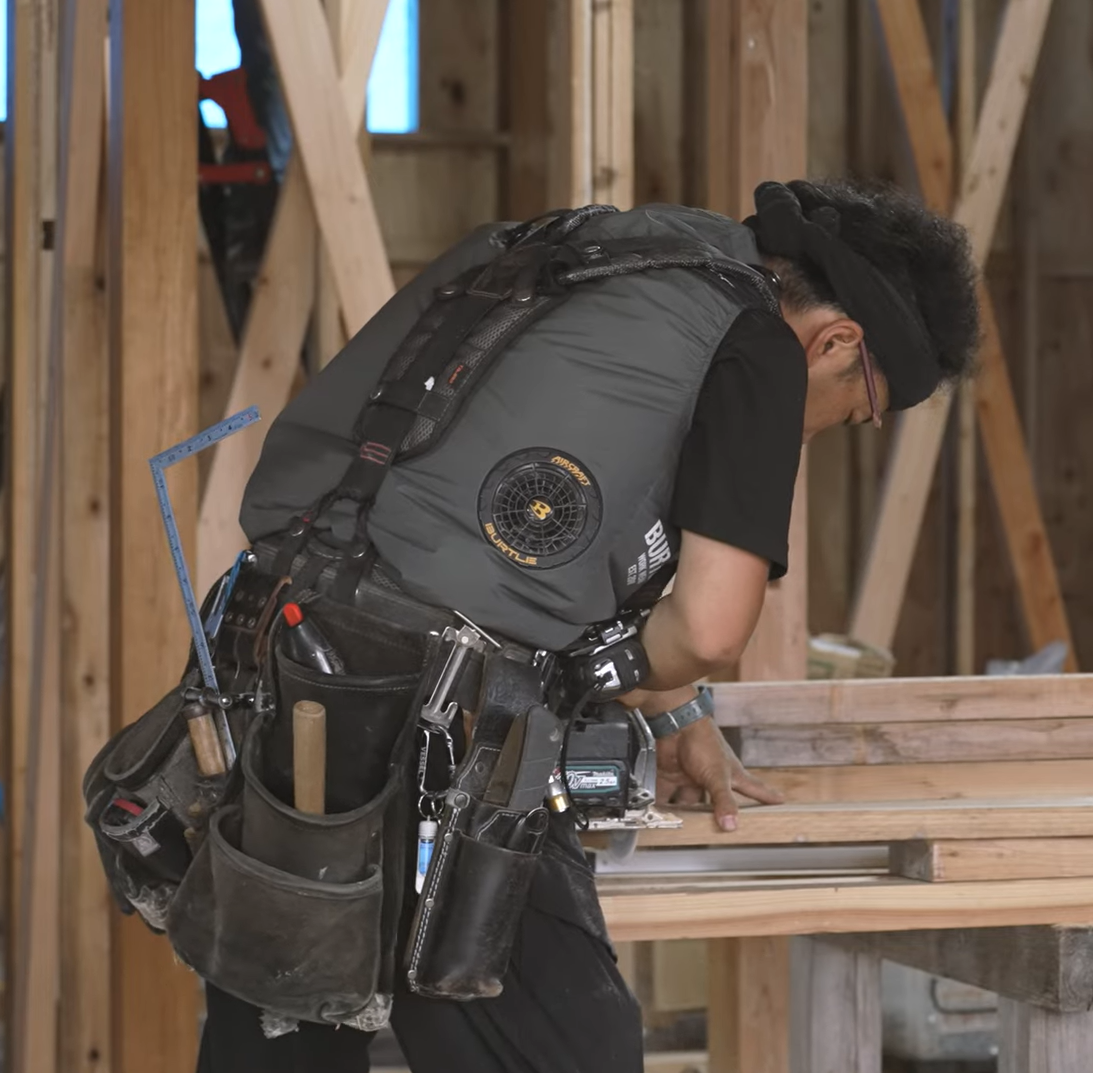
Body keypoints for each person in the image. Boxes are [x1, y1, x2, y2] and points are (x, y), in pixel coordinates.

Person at [188, 178, 982, 1072]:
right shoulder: (760, 343)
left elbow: (476, 501)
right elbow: (712, 627)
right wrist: (595, 678)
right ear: (837, 341)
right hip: (439, 727)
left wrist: (676, 713)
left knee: (285, 1017)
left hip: (273, 650)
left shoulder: (577, 252)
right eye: (856, 408)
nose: (825, 428)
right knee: (561, 1041)